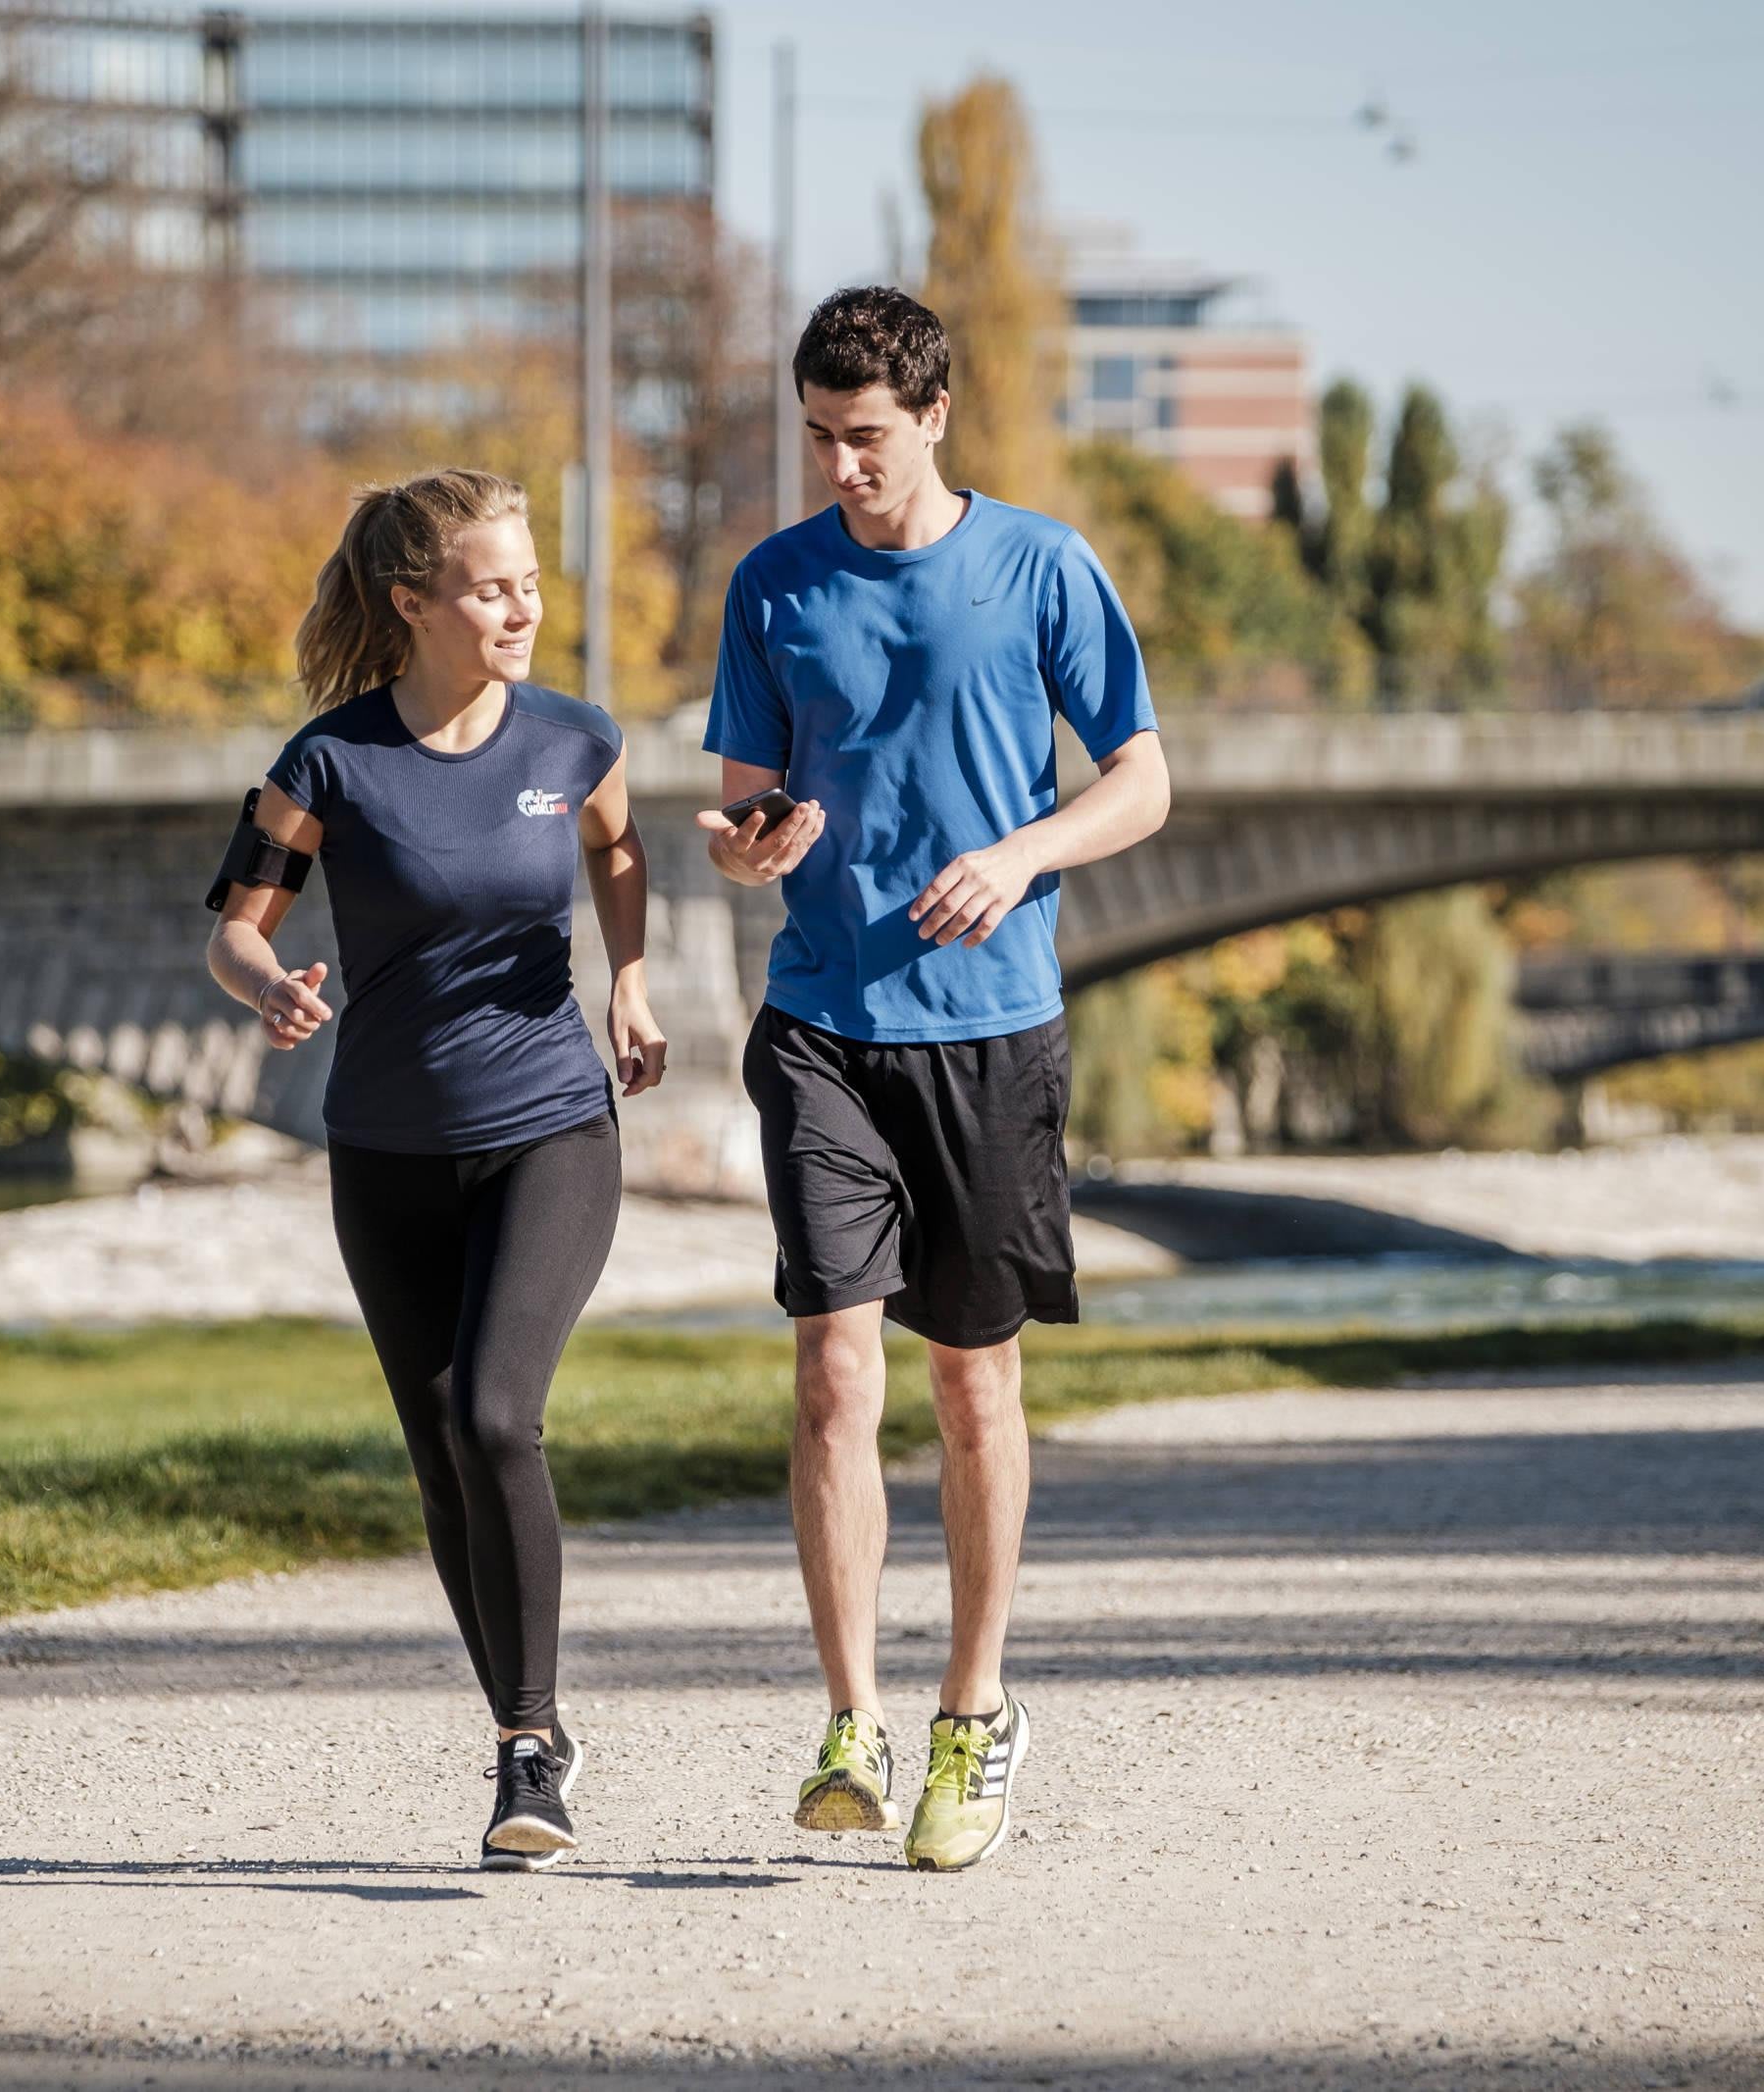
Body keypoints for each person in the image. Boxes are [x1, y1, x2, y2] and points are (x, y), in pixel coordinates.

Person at [702, 286, 1170, 1871]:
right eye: (818, 437)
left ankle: (974, 1710)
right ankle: (852, 1718)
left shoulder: (1040, 566)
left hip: (991, 1025)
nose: (840, 466)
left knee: (974, 1380)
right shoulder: (772, 584)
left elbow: (1142, 780)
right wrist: (751, 846)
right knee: (834, 1369)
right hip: (824, 1020)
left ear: (935, 417)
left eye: (866, 437)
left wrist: (1024, 852)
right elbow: (748, 802)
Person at [203, 467, 666, 1873]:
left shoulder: (577, 739)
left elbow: (619, 850)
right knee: (440, 1454)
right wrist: (269, 987)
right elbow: (234, 927)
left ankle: (526, 1749)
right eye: (491, 589)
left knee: (493, 1413)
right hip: (385, 1149)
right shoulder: (326, 764)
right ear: (412, 603)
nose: (523, 610)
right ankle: (534, 1724)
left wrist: (629, 981)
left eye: (531, 585)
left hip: (550, 1126)